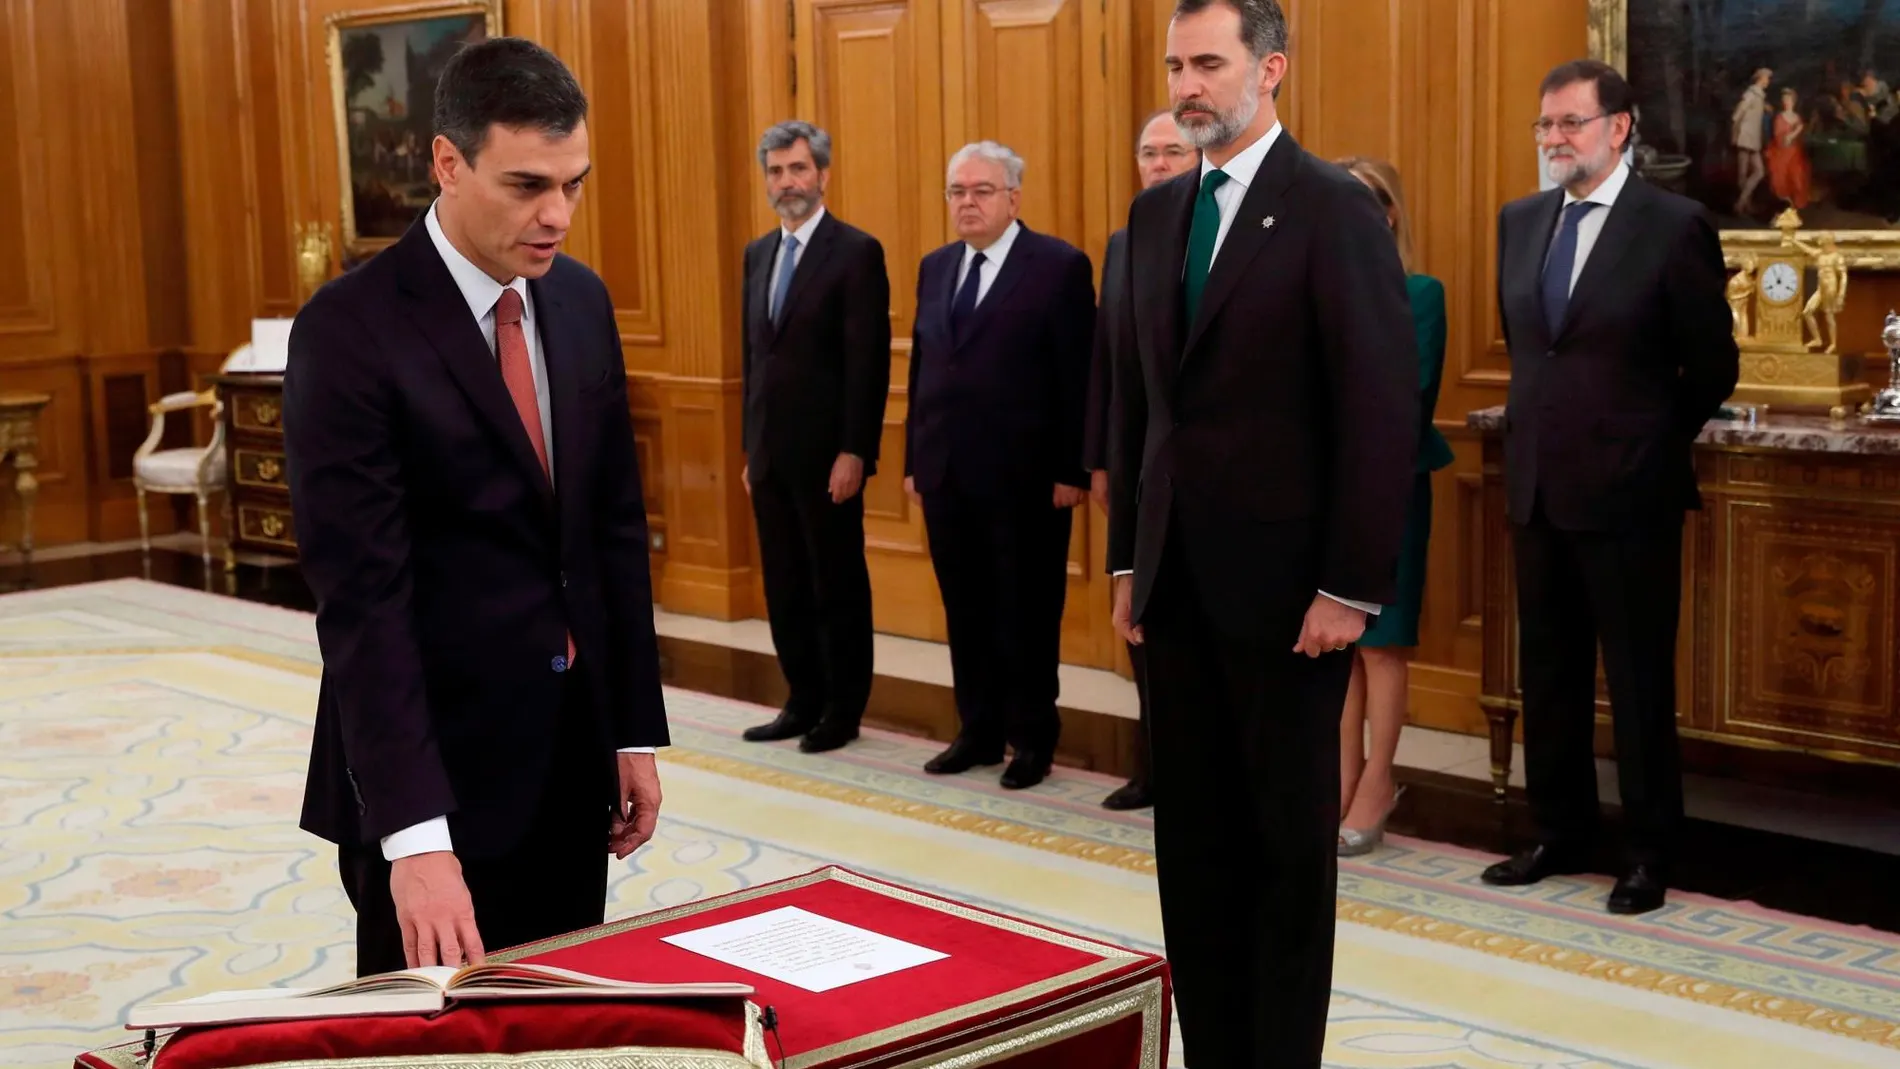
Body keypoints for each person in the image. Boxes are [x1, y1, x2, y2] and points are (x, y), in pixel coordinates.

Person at [283, 37, 668, 976]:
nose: (558, 215)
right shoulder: (349, 331)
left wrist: (628, 726)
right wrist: (414, 841)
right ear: (447, 164)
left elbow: (610, 530)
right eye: (528, 184)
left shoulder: (579, 301)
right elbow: (364, 606)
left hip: (570, 759)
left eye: (574, 184)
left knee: (561, 1021)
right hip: (431, 777)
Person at [1106, 1, 1417, 1065]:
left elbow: (1378, 414)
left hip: (1293, 600)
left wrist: (1348, 584)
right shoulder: (1152, 219)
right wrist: (1126, 562)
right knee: (1191, 845)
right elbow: (1140, 406)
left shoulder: (1330, 209)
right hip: (1174, 590)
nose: (1186, 84)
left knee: (1285, 853)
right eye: (1174, 65)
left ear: (1270, 68)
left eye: (1207, 63)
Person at [1485, 59, 1738, 915]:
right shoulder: (1519, 223)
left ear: (1619, 126)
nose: (1555, 139)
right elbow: (1532, 353)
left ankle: (1646, 851)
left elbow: (1711, 365)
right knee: (1547, 671)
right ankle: (1559, 831)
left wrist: (1643, 443)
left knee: (1635, 684)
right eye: (1544, 125)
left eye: (1571, 124)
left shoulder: (1673, 225)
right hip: (1535, 489)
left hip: (1630, 495)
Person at [905, 140, 1095, 791]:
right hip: (947, 474)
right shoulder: (935, 267)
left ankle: (1033, 737)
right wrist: (914, 458)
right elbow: (924, 366)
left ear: (1013, 197)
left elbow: (1077, 375)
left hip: (1028, 482)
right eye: (957, 191)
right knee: (966, 611)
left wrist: (1073, 468)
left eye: (981, 190)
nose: (967, 202)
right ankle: (978, 730)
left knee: (1026, 614)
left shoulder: (1059, 267)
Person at [737, 120, 892, 753]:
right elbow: (755, 360)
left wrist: (855, 449)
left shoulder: (855, 252)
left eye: (797, 169)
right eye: (775, 171)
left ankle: (843, 708)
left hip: (831, 457)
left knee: (836, 585)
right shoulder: (757, 253)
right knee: (784, 584)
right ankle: (800, 699)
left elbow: (868, 361)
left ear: (822, 174)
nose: (786, 182)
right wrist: (752, 447)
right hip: (771, 456)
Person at [1333, 155, 1452, 856]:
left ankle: (1379, 781)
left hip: (1389, 488)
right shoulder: (1319, 285)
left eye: (1366, 200)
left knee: (1381, 644)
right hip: (1325, 494)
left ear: (1390, 212)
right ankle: (1340, 779)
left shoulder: (1420, 291)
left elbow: (1408, 398)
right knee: (1339, 646)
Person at [1085, 109, 1199, 812]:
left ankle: (1191, 768)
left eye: (1172, 152)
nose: (1158, 164)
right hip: (1137, 464)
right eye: (1148, 152)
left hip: (1208, 472)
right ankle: (1153, 763)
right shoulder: (1125, 240)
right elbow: (1111, 360)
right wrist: (1100, 457)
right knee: (1138, 615)